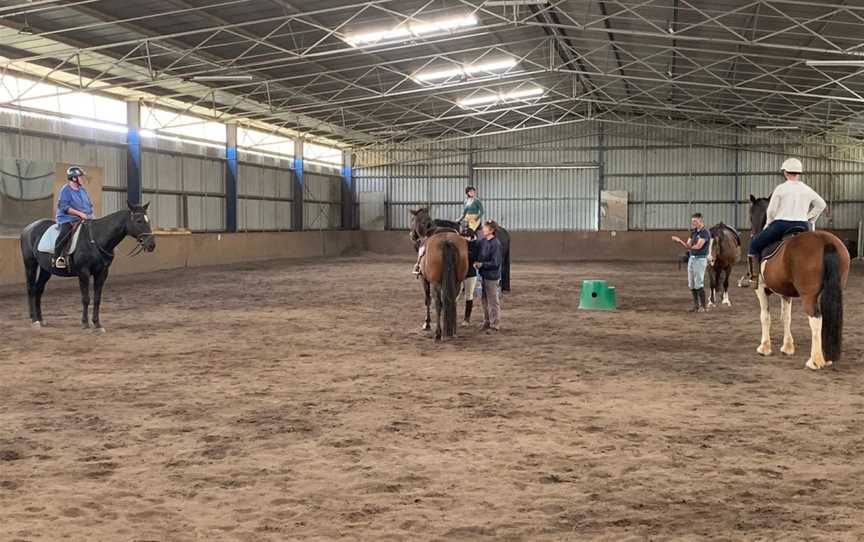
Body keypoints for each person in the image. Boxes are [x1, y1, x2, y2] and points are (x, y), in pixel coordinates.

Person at [745, 157, 826, 288]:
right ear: (799, 173)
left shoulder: (781, 188)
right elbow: (821, 204)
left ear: (785, 172)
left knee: (754, 245)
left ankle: (754, 278)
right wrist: (808, 217)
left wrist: (768, 224)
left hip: (781, 225)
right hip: (802, 225)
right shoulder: (807, 189)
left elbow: (771, 211)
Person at [54, 165, 94, 269]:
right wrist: (80, 214)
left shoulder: (83, 191)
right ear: (74, 178)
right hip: (67, 219)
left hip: (84, 219)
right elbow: (64, 207)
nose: (83, 179)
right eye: (81, 177)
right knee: (65, 233)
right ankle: (58, 257)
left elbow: (89, 206)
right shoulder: (66, 190)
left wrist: (91, 216)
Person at [671, 213, 711, 312]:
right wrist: (681, 242)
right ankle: (696, 305)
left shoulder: (705, 232)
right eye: (692, 221)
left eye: (695, 221)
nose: (693, 223)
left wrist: (681, 241)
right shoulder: (693, 232)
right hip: (692, 258)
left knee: (699, 282)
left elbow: (698, 246)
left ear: (701, 221)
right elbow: (688, 245)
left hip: (700, 259)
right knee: (692, 283)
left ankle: (703, 306)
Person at [475, 221, 503, 331]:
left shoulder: (496, 244)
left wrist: (482, 264)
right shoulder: (483, 241)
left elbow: (496, 263)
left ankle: (494, 324)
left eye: (485, 228)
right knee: (484, 300)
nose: (483, 229)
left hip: (491, 276)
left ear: (491, 230)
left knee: (492, 301)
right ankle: (487, 321)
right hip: (483, 275)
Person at [460, 228, 480, 326]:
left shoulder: (475, 245)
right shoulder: (459, 245)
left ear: (471, 237)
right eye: (463, 236)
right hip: (459, 274)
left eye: (466, 236)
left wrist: (464, 253)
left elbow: (475, 257)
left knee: (469, 295)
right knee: (455, 296)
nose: (464, 238)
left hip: (470, 274)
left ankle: (467, 319)